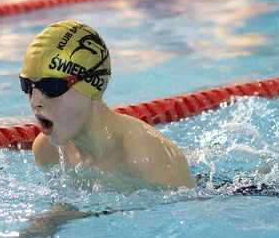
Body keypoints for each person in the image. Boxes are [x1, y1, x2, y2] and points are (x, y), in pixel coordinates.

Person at [19, 20, 196, 189]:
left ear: (92, 85)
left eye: (51, 87)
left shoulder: (143, 154)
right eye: (27, 86)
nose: (35, 102)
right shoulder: (47, 151)